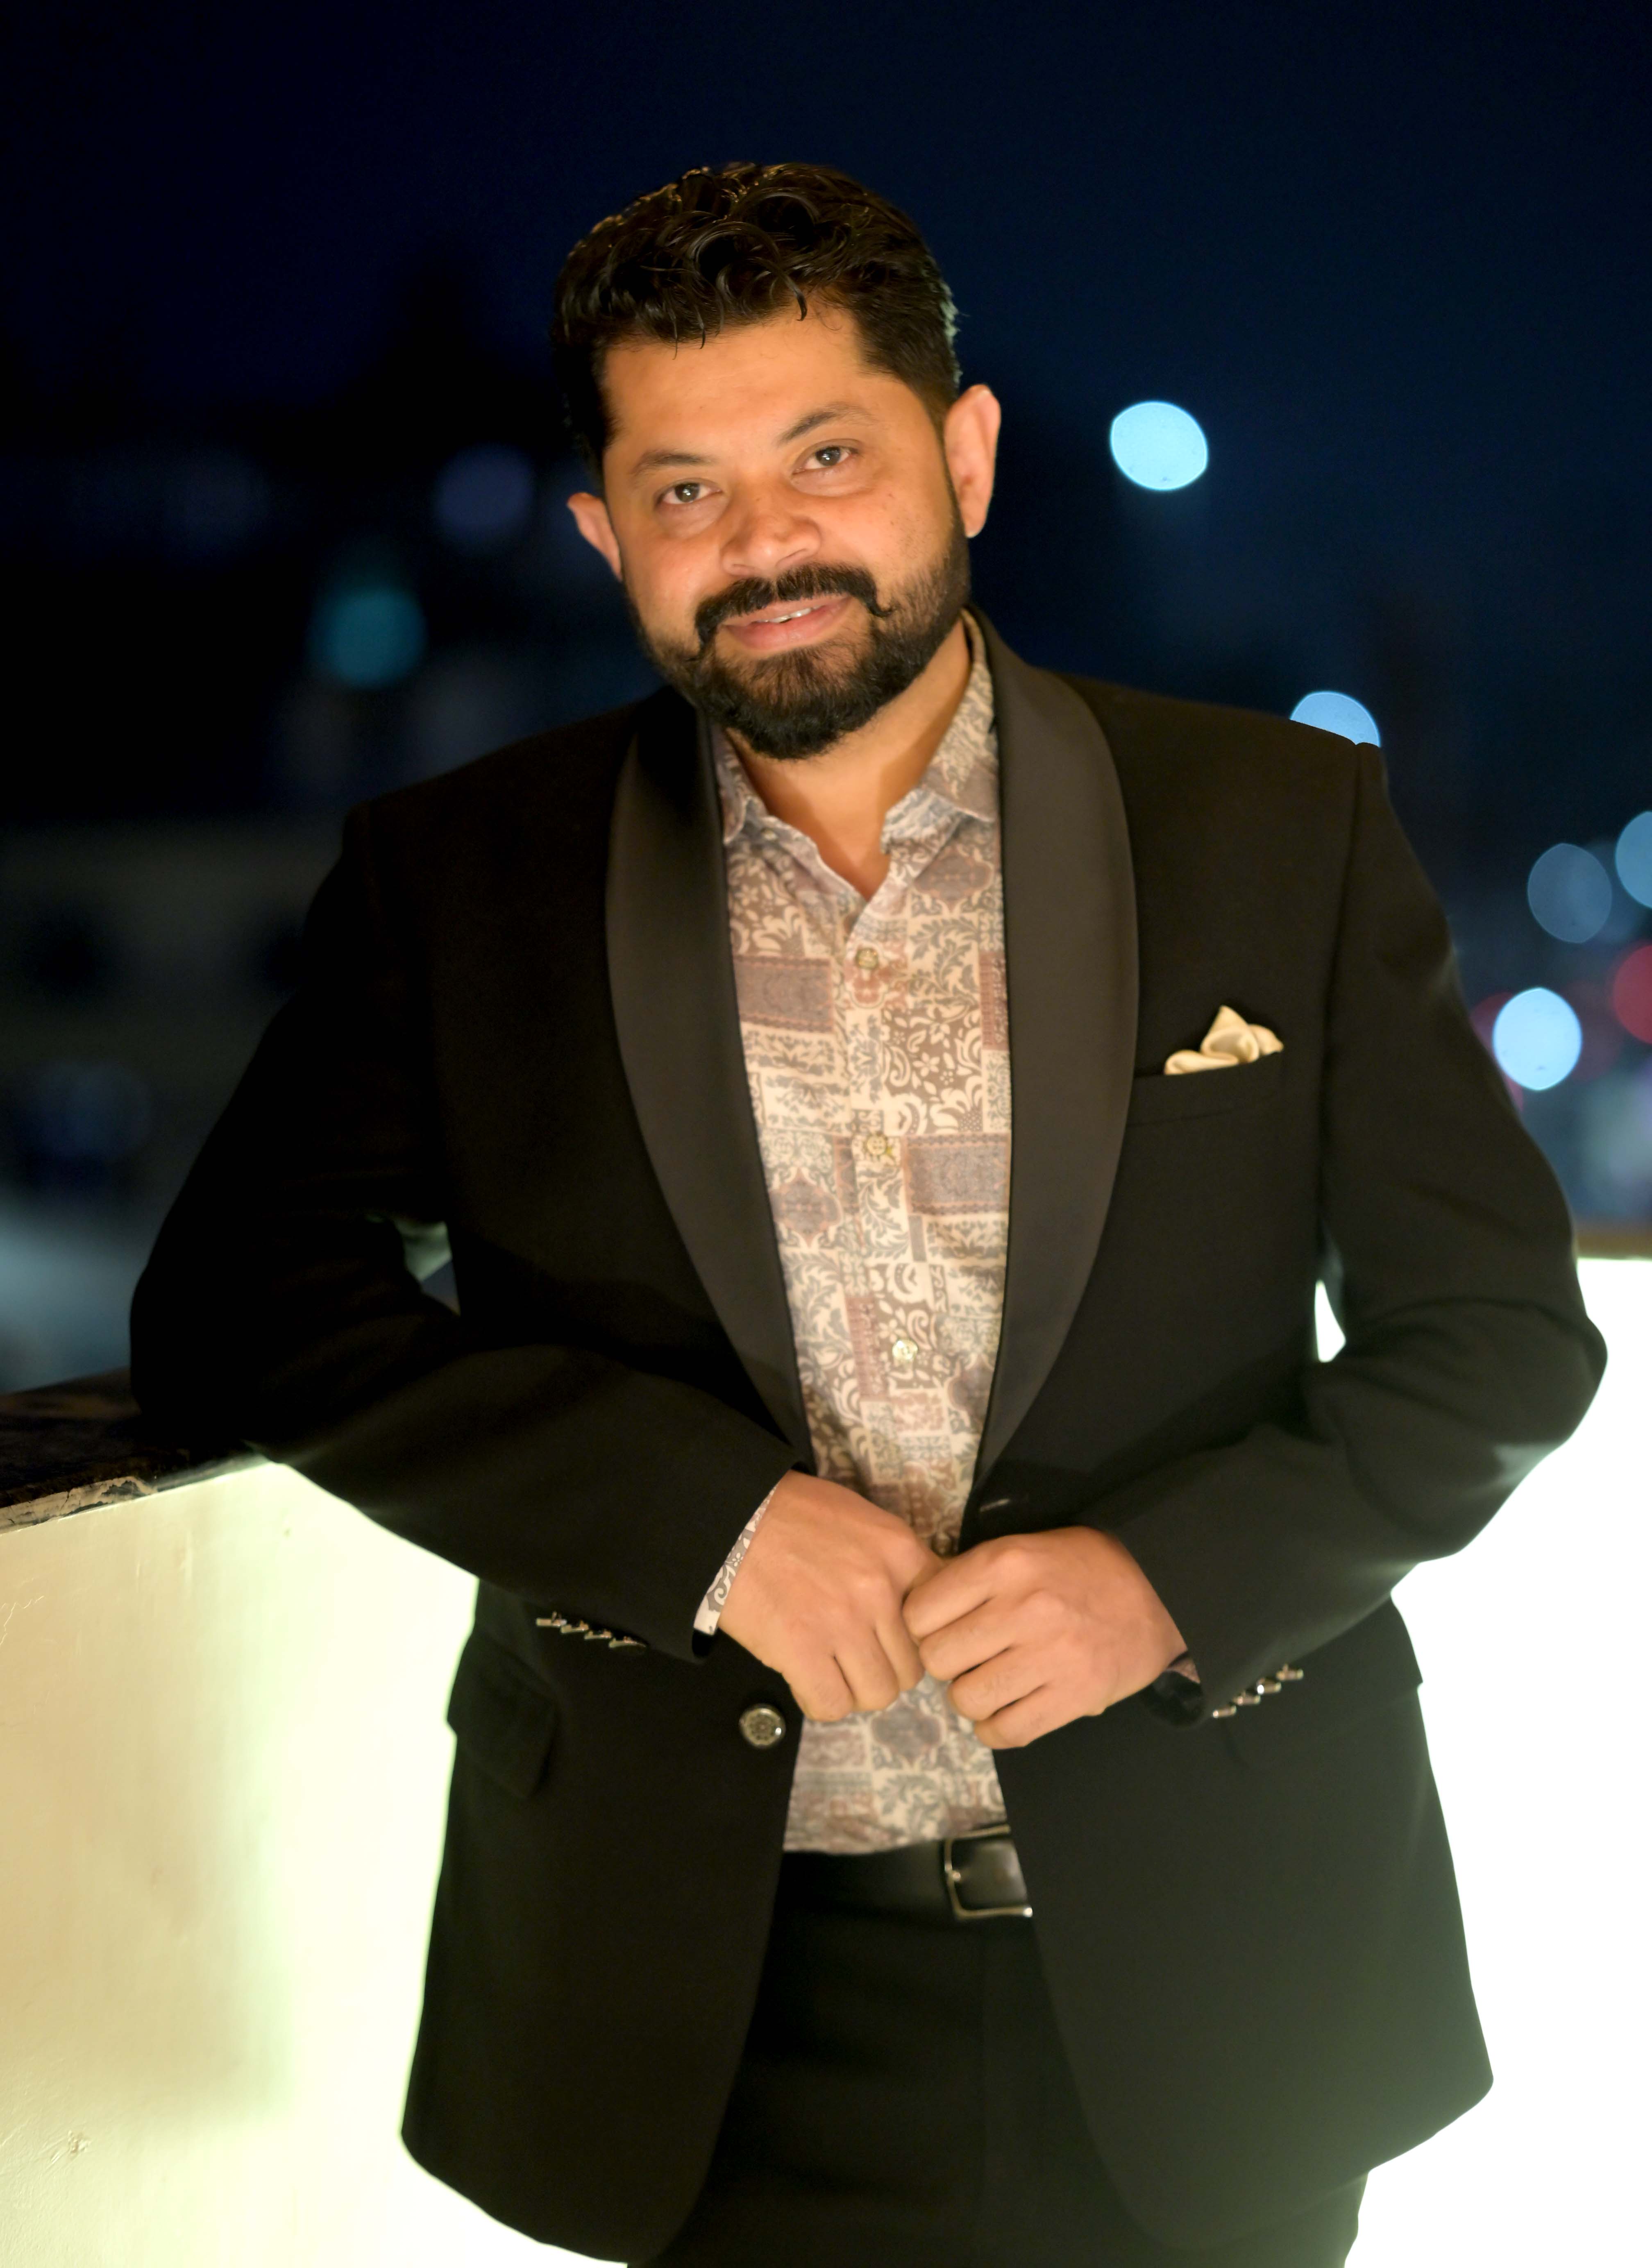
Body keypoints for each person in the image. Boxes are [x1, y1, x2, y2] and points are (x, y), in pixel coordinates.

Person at [130, 162, 1605, 2268]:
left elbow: (1501, 1335)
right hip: (692, 2007)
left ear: (965, 457)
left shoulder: (1277, 826)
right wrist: (701, 1523)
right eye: (686, 489)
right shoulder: (461, 882)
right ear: (603, 533)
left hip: (1220, 1969)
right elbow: (240, 1301)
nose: (765, 545)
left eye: (827, 457)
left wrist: (1168, 1584)